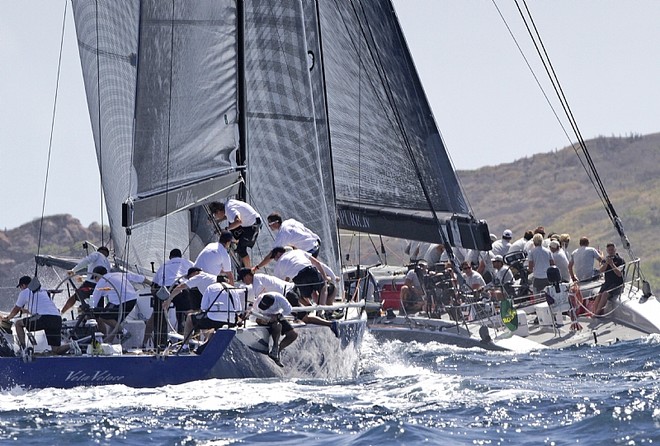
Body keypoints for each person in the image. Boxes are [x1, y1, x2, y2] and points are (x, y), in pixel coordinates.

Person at [237, 268, 339, 336]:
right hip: (291, 289)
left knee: (305, 319)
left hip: (288, 294)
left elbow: (257, 302)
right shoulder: (259, 277)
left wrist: (244, 316)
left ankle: (330, 324)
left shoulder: (256, 281)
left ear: (247, 276)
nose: (243, 282)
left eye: (242, 279)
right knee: (304, 310)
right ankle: (312, 317)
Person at [2, 276, 69, 355]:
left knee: (18, 324)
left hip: (44, 318)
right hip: (57, 319)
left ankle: (24, 350)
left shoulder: (25, 292)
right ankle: (72, 345)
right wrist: (26, 311)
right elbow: (42, 309)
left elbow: (16, 309)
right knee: (56, 350)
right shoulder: (44, 291)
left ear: (23, 285)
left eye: (20, 287)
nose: (21, 289)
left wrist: (8, 318)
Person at [180, 276, 244, 353]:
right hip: (231, 321)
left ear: (216, 281)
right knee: (214, 327)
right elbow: (238, 310)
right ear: (227, 281)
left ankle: (185, 347)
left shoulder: (210, 287)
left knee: (190, 317)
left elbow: (204, 307)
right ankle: (204, 347)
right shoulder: (233, 289)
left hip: (213, 320)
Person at [90, 267, 151, 341]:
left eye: (94, 278)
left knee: (104, 317)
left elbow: (94, 300)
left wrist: (91, 310)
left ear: (97, 276)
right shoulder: (118, 274)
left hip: (120, 301)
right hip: (132, 299)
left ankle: (124, 332)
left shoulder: (101, 282)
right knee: (114, 323)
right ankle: (107, 344)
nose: (95, 281)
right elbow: (137, 277)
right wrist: (152, 284)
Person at [147, 249, 194, 347]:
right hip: (181, 287)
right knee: (184, 315)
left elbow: (153, 286)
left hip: (164, 289)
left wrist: (156, 298)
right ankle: (184, 343)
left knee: (159, 316)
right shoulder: (189, 263)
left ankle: (160, 344)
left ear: (170, 257)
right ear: (181, 256)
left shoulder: (164, 265)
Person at [160, 267, 218, 335]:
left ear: (195, 273)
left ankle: (186, 344)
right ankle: (206, 341)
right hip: (224, 310)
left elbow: (180, 287)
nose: (190, 280)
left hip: (215, 311)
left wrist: (168, 300)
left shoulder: (199, 277)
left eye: (190, 278)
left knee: (190, 318)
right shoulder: (212, 277)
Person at [209, 199, 261, 268]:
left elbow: (238, 221)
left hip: (253, 225)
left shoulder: (229, 209)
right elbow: (227, 216)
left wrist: (226, 229)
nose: (216, 217)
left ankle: (248, 270)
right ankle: (237, 240)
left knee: (241, 249)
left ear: (218, 211)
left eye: (215, 215)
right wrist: (218, 221)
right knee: (232, 227)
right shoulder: (227, 206)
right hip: (247, 222)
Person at [251, 292, 298, 367]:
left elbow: (289, 309)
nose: (262, 307)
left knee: (293, 335)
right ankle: (275, 346)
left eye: (265, 307)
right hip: (263, 317)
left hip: (276, 315)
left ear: (272, 304)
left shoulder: (279, 299)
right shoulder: (259, 300)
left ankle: (276, 351)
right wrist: (260, 320)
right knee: (277, 326)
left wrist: (278, 316)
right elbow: (252, 316)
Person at [62, 246, 112, 315]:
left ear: (99, 251)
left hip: (89, 285)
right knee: (98, 310)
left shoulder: (97, 254)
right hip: (101, 288)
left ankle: (60, 314)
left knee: (74, 298)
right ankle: (100, 323)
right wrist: (83, 278)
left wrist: (73, 270)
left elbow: (87, 261)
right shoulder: (108, 264)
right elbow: (101, 277)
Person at [592, 243, 625, 316]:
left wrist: (612, 264)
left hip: (617, 283)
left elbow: (619, 274)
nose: (611, 251)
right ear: (607, 251)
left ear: (615, 250)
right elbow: (601, 271)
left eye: (612, 250)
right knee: (599, 294)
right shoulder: (605, 260)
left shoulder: (620, 260)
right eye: (609, 250)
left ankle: (597, 313)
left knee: (605, 294)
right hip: (608, 283)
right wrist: (606, 263)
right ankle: (593, 312)